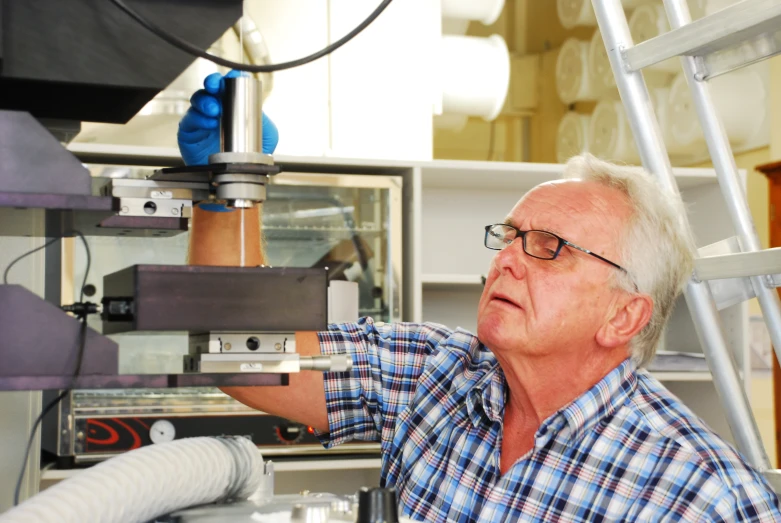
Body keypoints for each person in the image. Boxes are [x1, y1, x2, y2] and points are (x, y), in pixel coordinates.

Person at [179, 72, 781, 522]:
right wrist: (229, 190)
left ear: (624, 315)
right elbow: (244, 357)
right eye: (511, 237)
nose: (508, 260)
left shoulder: (695, 493)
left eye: (550, 247)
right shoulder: (432, 374)